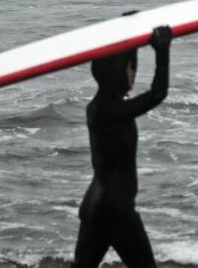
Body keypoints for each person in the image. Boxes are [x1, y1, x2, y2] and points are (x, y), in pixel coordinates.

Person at [72, 25, 172, 268]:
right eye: (129, 67)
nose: (132, 72)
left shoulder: (98, 106)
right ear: (117, 71)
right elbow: (158, 93)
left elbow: (122, 67)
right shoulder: (113, 110)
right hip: (117, 211)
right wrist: (162, 50)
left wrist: (131, 27)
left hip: (94, 206)